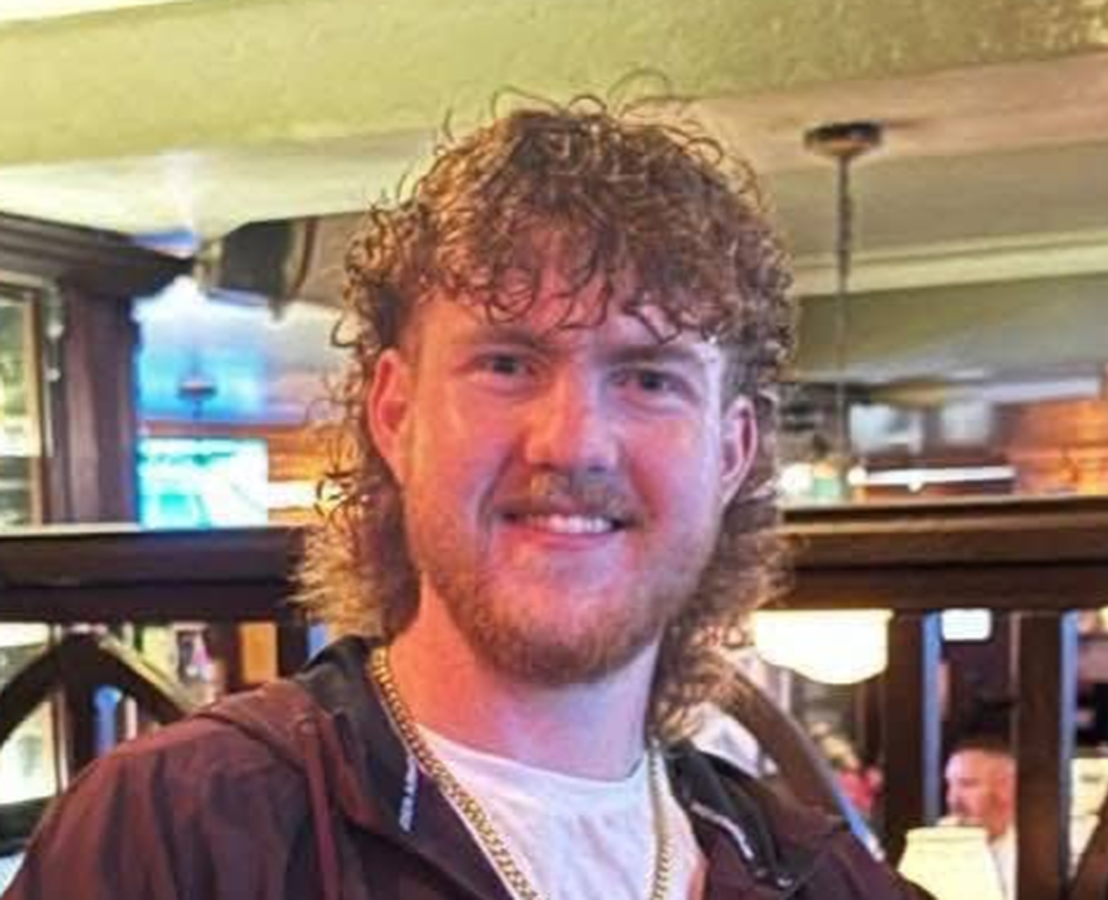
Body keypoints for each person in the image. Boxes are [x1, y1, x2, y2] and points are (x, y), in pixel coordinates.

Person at [5, 95, 924, 900]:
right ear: (394, 413)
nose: (572, 440)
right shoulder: (177, 830)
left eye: (649, 378)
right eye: (508, 364)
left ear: (731, 453)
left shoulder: (822, 877)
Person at [944, 736, 1017, 898]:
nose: (952, 799)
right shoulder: (935, 844)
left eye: (967, 784)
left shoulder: (1041, 850)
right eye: (949, 784)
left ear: (1007, 787)